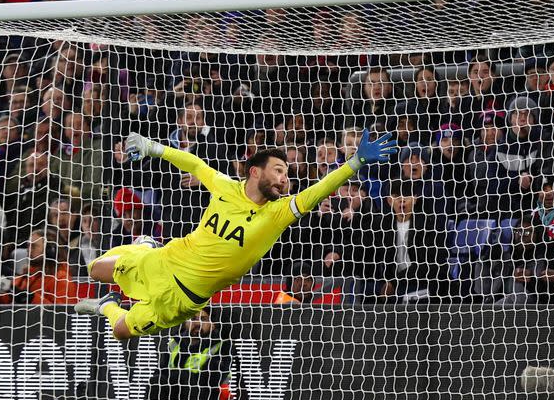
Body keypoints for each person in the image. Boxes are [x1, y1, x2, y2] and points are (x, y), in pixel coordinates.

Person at [75, 129, 397, 339]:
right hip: (164, 261)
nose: (285, 179)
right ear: (255, 172)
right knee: (95, 270)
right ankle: (144, 245)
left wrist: (354, 162)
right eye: (279, 171)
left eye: (286, 174)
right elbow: (196, 164)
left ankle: (106, 304)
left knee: (120, 330)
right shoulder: (226, 188)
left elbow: (318, 190)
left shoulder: (277, 213)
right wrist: (153, 147)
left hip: (184, 299)